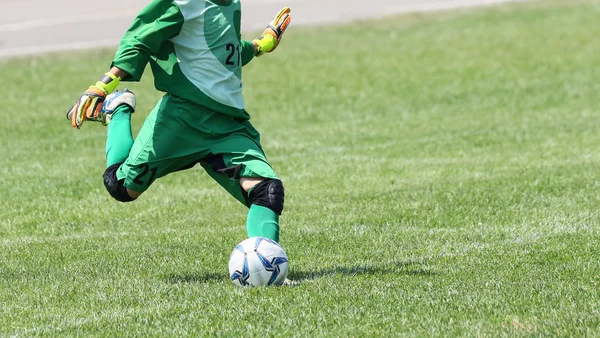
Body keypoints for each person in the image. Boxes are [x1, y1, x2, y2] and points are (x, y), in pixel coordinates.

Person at [67, 0, 291, 244]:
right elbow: (140, 38)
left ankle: (267, 271)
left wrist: (262, 45)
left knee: (266, 191)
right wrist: (104, 84)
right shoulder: (183, 3)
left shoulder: (232, 3)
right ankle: (118, 109)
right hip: (181, 120)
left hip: (228, 126)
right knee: (122, 187)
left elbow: (225, 51)